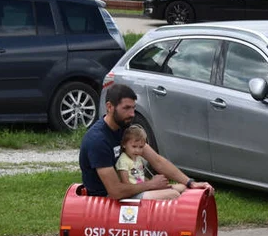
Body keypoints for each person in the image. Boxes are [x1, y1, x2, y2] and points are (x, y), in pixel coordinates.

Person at [79, 84, 212, 200]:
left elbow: (157, 161)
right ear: (109, 106)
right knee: (172, 195)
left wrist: (190, 183)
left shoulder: (124, 129)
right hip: (106, 199)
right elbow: (115, 192)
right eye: (126, 108)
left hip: (130, 189)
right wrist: (151, 185)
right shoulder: (98, 141)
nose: (132, 114)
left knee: (183, 188)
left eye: (133, 108)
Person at [115, 124, 182, 200]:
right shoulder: (123, 160)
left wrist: (154, 182)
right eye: (134, 146)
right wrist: (150, 185)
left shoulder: (137, 158)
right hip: (133, 195)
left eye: (141, 147)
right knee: (174, 194)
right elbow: (126, 184)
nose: (137, 150)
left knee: (180, 187)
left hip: (142, 189)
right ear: (124, 144)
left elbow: (140, 177)